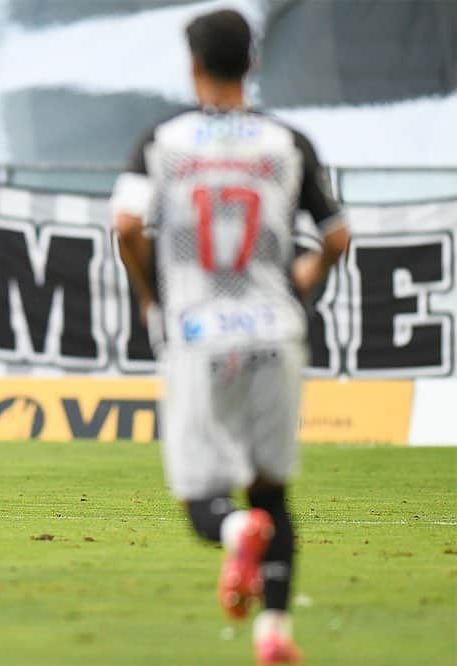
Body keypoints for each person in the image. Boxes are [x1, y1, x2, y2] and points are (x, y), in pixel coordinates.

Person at [111, 9, 349, 664]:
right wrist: (305, 276)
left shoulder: (162, 139)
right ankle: (275, 630)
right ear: (253, 64)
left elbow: (128, 225)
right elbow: (337, 235)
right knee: (273, 488)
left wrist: (150, 294)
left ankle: (237, 530)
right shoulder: (286, 140)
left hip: (198, 328)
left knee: (201, 497)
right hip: (276, 326)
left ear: (193, 66)